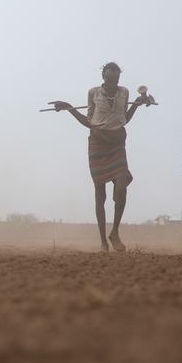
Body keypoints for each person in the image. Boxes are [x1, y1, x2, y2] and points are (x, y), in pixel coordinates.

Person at [49, 62, 151, 251]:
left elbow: (124, 118)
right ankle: (103, 241)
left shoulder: (124, 93)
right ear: (103, 77)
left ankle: (115, 233)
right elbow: (89, 122)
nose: (112, 81)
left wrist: (137, 104)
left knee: (121, 187)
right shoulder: (93, 93)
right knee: (100, 194)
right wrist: (69, 108)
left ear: (119, 78)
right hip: (97, 143)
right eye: (108, 78)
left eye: (115, 78)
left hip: (117, 142)